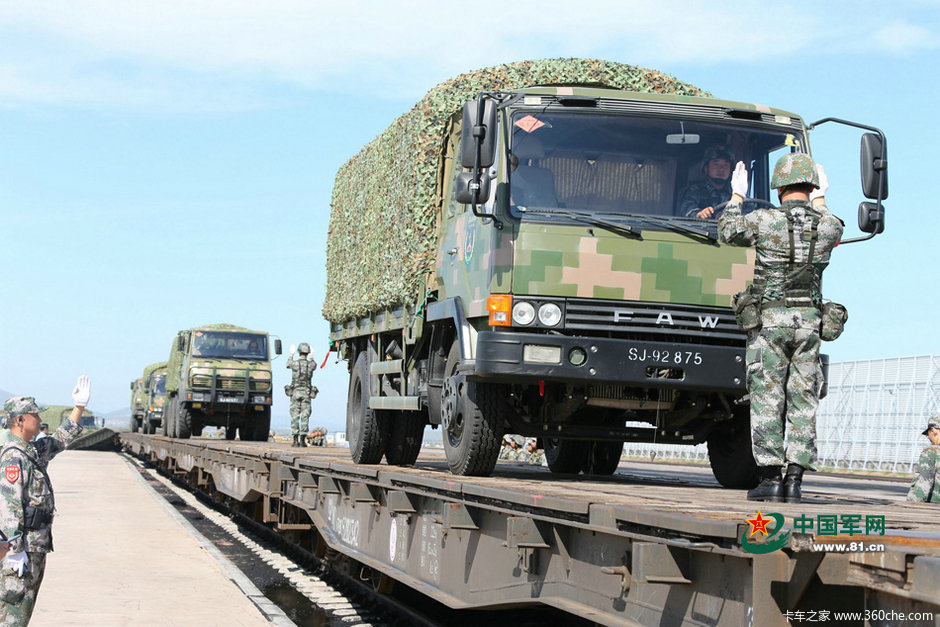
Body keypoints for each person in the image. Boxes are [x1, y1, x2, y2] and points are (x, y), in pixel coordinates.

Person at [718, 154, 843, 503]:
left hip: (770, 325)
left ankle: (770, 480)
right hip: (809, 325)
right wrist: (821, 198)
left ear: (779, 187)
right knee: (803, 400)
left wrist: (737, 195)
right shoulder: (829, 225)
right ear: (811, 186)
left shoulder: (764, 219)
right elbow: (832, 224)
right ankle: (795, 481)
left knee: (767, 398)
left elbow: (728, 231)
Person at [0, 375, 90, 624]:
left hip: (35, 547)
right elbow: (8, 506)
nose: (40, 420)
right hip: (22, 551)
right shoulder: (13, 458)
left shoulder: (30, 451)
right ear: (20, 420)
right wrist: (14, 551)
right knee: (12, 617)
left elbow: (60, 439)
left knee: (22, 614)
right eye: (35, 416)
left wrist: (78, 407)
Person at [678, 145, 734, 219]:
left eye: (725, 165)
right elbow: (687, 210)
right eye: (715, 165)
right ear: (706, 168)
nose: (721, 169)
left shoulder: (736, 193)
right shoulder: (695, 191)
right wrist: (700, 214)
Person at [286, 343, 316, 447]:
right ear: (307, 352)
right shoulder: (310, 365)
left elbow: (288, 364)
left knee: (295, 415)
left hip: (295, 392)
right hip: (306, 393)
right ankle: (303, 440)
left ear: (299, 352)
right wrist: (312, 357)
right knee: (305, 415)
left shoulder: (294, 363)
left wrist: (291, 354)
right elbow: (314, 365)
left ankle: (295, 440)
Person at [906, 417, 940, 503]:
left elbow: (924, 485)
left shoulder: (931, 452)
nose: (928, 437)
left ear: (933, 430)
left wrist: (910, 505)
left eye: (928, 434)